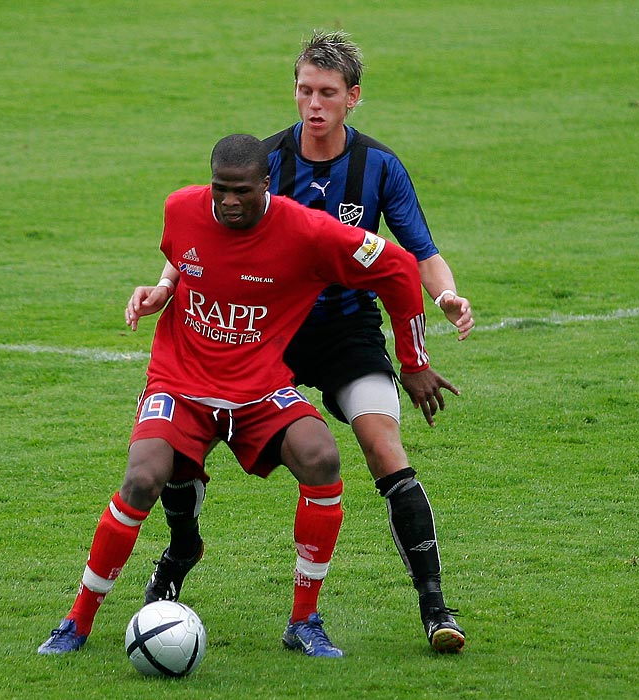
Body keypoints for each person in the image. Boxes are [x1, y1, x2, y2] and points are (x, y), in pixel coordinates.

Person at [39, 133, 458, 659]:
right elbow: (183, 259)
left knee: (321, 456)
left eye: (241, 191)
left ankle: (304, 621)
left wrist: (414, 361)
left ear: (267, 184)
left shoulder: (307, 231)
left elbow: (397, 268)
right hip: (180, 381)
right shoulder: (180, 207)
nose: (228, 202)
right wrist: (163, 290)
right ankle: (76, 621)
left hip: (259, 387)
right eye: (220, 189)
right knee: (143, 476)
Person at [129, 31, 472, 654]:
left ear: (353, 98)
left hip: (345, 331)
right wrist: (163, 285)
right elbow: (199, 242)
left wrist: (444, 299)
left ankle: (436, 609)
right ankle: (180, 553)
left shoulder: (379, 166)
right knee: (187, 439)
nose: (314, 104)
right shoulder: (261, 162)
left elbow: (419, 252)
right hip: (265, 330)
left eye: (328, 93)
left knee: (381, 442)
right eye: (305, 90)